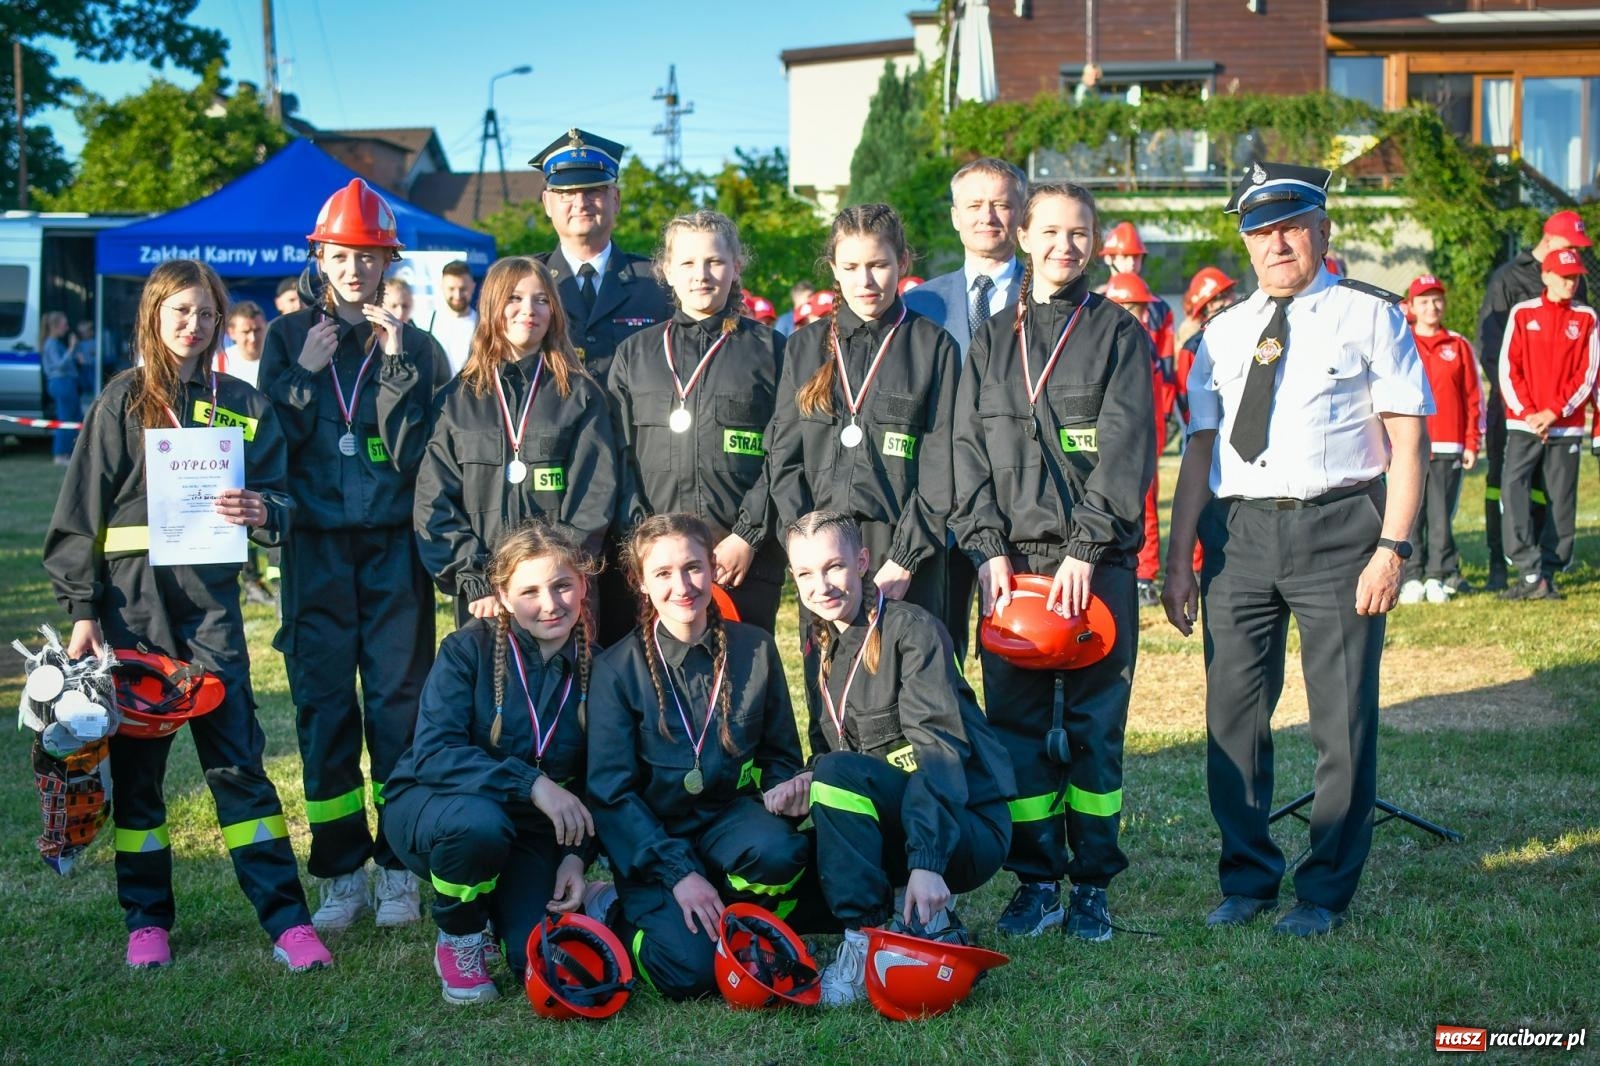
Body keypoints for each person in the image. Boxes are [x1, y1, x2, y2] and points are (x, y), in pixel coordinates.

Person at [1161, 162, 1432, 937]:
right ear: (1245, 242)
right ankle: (1247, 878)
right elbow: (1201, 450)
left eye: (1290, 226)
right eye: (1260, 231)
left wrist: (1394, 546)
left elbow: (1410, 442)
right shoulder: (1221, 331)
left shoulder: (1370, 315)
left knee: (1341, 720)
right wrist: (1180, 559)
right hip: (1239, 535)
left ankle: (1323, 892)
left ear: (1322, 230)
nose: (1275, 243)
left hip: (1340, 530)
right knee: (1232, 716)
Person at [43, 258, 330, 972]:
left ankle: (288, 925)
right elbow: (78, 515)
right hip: (130, 614)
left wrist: (264, 510)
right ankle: (148, 922)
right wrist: (83, 611)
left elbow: (282, 502)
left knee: (239, 769)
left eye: (206, 313)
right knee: (139, 775)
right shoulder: (120, 402)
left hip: (211, 615)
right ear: (154, 315)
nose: (195, 326)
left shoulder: (243, 403)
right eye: (181, 312)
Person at [951, 181, 1154, 942]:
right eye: (1051, 231)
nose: (1064, 246)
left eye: (1080, 233)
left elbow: (1127, 450)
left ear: (1094, 243)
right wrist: (983, 548)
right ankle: (1036, 879)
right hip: (1009, 569)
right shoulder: (992, 339)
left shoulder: (1119, 336)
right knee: (1017, 731)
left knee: (1097, 729)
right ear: (1024, 238)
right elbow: (965, 452)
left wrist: (1085, 546)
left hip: (1092, 568)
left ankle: (1093, 884)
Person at [257, 178, 451, 934]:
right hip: (315, 552)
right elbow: (275, 442)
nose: (355, 269)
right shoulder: (283, 340)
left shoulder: (418, 344)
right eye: (341, 255)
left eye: (369, 257)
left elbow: (416, 456)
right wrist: (303, 373)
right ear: (320, 256)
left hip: (393, 551)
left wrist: (399, 367)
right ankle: (341, 871)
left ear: (388, 263)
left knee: (401, 712)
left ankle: (400, 867)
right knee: (326, 712)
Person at [771, 511, 1014, 1006]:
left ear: (862, 562)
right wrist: (804, 781)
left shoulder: (913, 631)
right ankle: (921, 924)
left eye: (834, 566)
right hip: (897, 822)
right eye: (805, 574)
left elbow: (939, 754)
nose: (822, 585)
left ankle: (864, 938)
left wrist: (927, 860)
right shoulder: (821, 646)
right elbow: (835, 753)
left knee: (837, 776)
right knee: (784, 889)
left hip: (964, 827)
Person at [586, 513, 816, 1001]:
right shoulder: (615, 670)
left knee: (781, 852)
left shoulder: (755, 647)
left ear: (712, 568)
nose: (683, 586)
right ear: (641, 585)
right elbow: (612, 794)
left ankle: (728, 911)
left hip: (728, 821)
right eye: (663, 574)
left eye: (693, 567)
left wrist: (784, 787)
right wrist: (678, 873)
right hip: (654, 838)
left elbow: (780, 753)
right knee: (690, 975)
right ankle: (612, 908)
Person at [383, 520, 599, 1004]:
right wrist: (533, 785)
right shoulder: (466, 651)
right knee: (480, 825)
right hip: (441, 808)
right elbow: (435, 754)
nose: (550, 603)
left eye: (563, 585)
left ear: (584, 584)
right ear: (501, 594)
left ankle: (545, 903)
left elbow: (601, 782)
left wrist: (575, 857)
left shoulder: (600, 668)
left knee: (534, 958)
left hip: (530, 832)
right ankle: (460, 935)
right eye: (530, 591)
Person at [415, 256, 621, 628]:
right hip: (486, 598)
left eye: (541, 299)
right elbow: (434, 498)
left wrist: (555, 576)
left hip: (561, 597)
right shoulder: (454, 401)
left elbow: (596, 494)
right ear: (492, 304)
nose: (529, 310)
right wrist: (474, 578)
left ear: (554, 311)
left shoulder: (581, 396)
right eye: (515, 298)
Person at [608, 211, 786, 632]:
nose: (701, 275)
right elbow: (616, 456)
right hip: (658, 564)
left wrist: (748, 535)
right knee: (661, 683)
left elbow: (787, 450)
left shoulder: (772, 351)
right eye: (687, 263)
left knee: (739, 678)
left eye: (715, 262)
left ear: (736, 267)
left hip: (742, 560)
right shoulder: (634, 355)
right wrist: (644, 542)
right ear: (666, 271)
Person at [903, 156, 1026, 661]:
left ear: (1021, 213)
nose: (987, 216)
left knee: (1020, 643)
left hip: (1023, 500)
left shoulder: (1047, 297)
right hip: (943, 502)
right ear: (955, 215)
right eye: (974, 205)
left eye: (1001, 204)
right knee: (939, 644)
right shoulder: (919, 306)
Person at [1476, 209, 1590, 589]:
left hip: (1557, 414)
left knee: (1554, 489)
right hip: (1514, 408)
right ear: (1551, 240)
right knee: (1504, 484)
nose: (1576, 256)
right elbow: (1493, 350)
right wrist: (1524, 409)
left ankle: (1542, 570)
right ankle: (1499, 564)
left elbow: (1583, 354)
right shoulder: (1507, 278)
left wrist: (1552, 410)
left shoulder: (1577, 285)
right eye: (1572, 246)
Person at [528, 129, 673, 386]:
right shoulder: (527, 281)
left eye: (593, 190)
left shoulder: (658, 282)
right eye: (566, 194)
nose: (581, 203)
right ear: (547, 204)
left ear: (615, 199)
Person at [1495, 247, 1597, 601]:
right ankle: (1527, 569)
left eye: (1576, 277)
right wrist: (1529, 413)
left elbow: (1588, 374)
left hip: (1565, 426)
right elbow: (1509, 368)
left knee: (1561, 499)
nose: (1572, 283)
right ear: (1547, 276)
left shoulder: (1587, 318)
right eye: (1565, 276)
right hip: (1524, 425)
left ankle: (1549, 573)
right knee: (1514, 490)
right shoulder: (1523, 313)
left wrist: (1554, 412)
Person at [1399, 275, 1483, 604]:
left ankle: (1438, 574)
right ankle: (1411, 575)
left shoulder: (1458, 344)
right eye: (1424, 301)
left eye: (1437, 300)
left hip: (1448, 446)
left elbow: (1474, 397)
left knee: (1440, 516)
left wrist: (1472, 442)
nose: (1432, 307)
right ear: (1412, 306)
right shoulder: (1402, 342)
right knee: (1410, 513)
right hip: (1408, 448)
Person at [1104, 270, 1177, 608]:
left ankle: (1146, 577)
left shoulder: (1141, 345)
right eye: (1136, 308)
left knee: (1146, 501)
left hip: (1142, 435)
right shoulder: (1100, 344)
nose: (1145, 317)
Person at [41, 311, 79, 465]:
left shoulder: (55, 343)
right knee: (65, 419)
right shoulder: (51, 343)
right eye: (64, 325)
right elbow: (57, 365)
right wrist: (71, 349)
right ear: (56, 326)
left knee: (73, 417)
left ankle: (68, 453)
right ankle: (60, 454)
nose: (67, 328)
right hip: (60, 382)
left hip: (66, 382)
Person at [429, 260, 478, 378]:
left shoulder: (484, 325)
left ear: (473, 287)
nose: (457, 295)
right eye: (451, 289)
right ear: (442, 287)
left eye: (463, 289)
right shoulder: (426, 322)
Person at [222, 302, 267, 390]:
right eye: (246, 332)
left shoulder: (279, 358)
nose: (252, 338)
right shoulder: (219, 363)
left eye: (257, 330)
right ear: (231, 333)